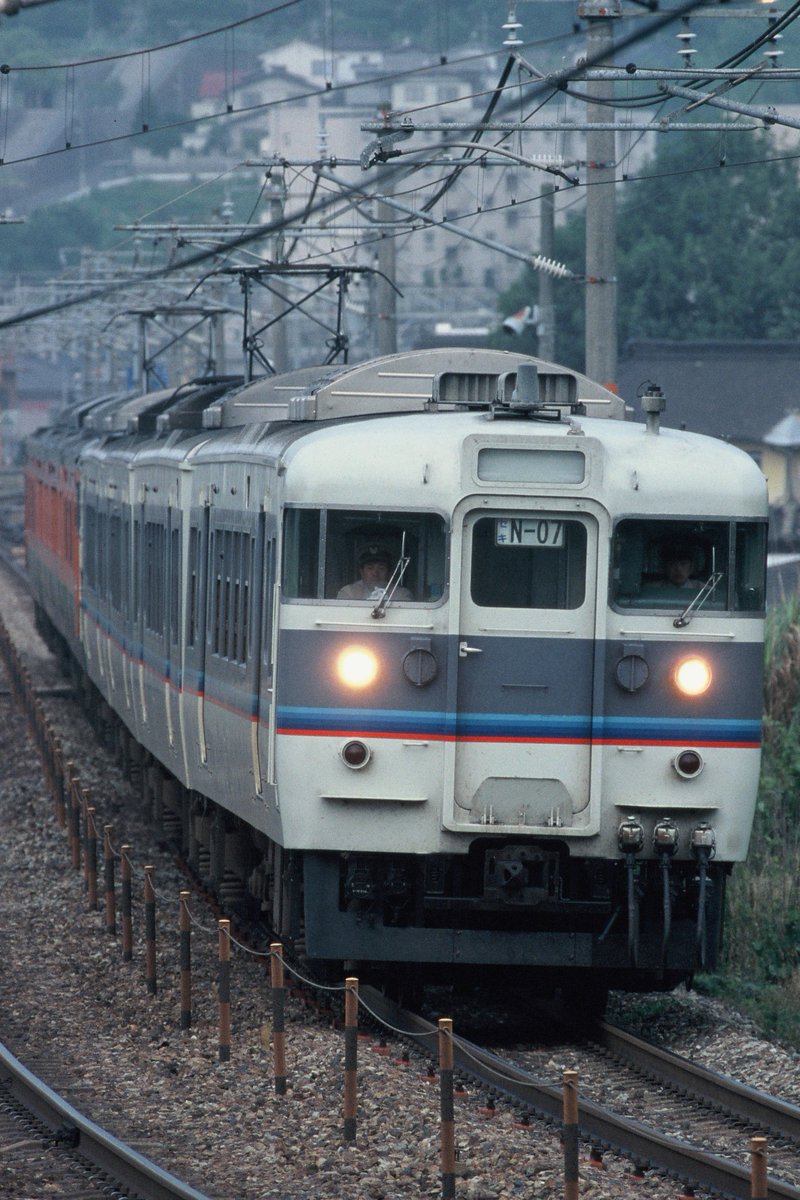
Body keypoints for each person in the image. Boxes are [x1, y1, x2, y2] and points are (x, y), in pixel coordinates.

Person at [337, 544, 412, 601]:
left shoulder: (401, 595)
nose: (375, 573)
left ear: (390, 573)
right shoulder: (348, 593)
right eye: (370, 568)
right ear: (361, 572)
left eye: (381, 568)